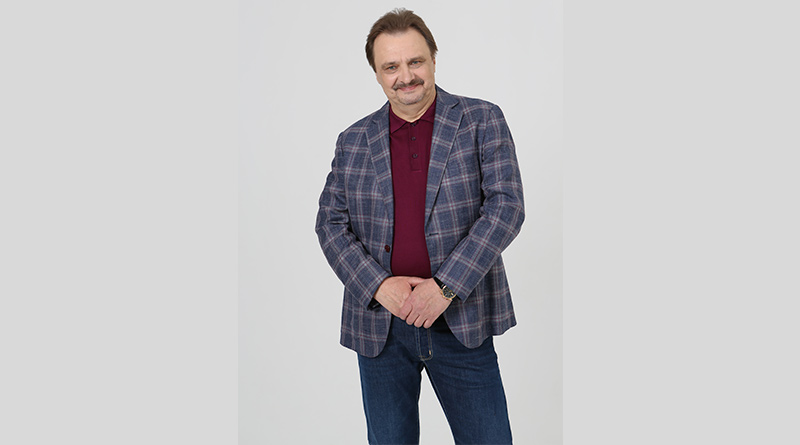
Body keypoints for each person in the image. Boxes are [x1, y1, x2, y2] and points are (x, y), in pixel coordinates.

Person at [315, 8, 524, 445]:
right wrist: (378, 286)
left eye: (415, 62)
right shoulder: (353, 140)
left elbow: (506, 207)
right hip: (381, 329)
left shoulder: (481, 120)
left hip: (461, 321)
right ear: (377, 73)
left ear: (433, 59)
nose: (405, 76)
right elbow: (330, 224)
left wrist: (445, 288)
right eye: (391, 66)